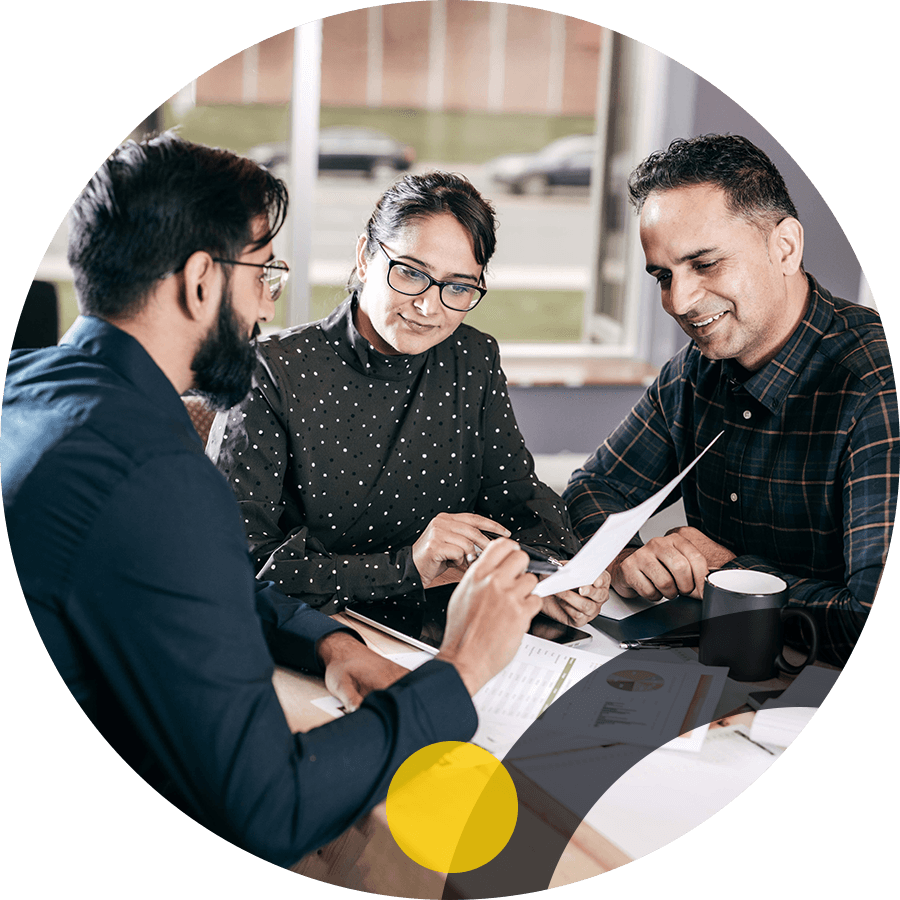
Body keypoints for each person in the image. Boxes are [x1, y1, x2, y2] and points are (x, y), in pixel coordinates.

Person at [2, 134, 544, 869]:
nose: (267, 300)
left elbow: (191, 580)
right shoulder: (155, 477)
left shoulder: (34, 388)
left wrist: (329, 644)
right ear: (201, 282)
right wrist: (463, 669)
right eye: (263, 271)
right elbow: (272, 808)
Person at [207, 170, 609, 625]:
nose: (429, 306)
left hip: (451, 625)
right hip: (314, 632)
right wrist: (408, 565)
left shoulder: (473, 357)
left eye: (458, 286)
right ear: (364, 257)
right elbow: (239, 564)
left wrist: (552, 574)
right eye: (412, 273)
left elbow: (518, 498)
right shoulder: (271, 370)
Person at [564, 133, 897, 667]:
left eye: (706, 264)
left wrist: (729, 577)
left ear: (785, 246)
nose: (679, 301)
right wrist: (626, 556)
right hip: (714, 672)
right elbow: (591, 489)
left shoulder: (876, 390)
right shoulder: (697, 369)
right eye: (663, 276)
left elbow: (865, 616)